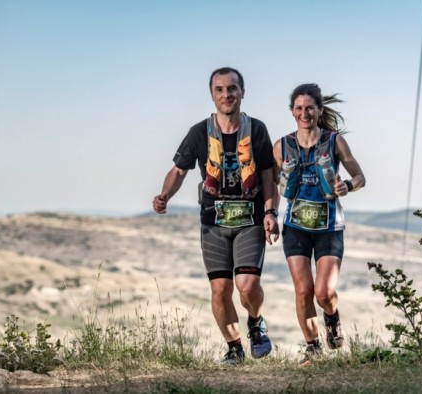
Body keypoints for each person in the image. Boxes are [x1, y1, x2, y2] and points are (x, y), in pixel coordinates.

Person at [152, 67, 279, 365]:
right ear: (212, 95)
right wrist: (164, 196)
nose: (227, 94)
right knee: (221, 290)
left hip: (250, 218)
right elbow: (179, 170)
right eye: (220, 89)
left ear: (242, 92)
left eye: (232, 88)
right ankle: (234, 348)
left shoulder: (256, 129)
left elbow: (268, 175)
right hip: (213, 222)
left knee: (247, 287)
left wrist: (271, 210)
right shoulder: (199, 132)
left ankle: (255, 321)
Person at [273, 83, 365, 364]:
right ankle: (312, 347)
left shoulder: (334, 141)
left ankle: (332, 318)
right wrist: (270, 215)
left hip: (329, 227)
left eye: (309, 108)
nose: (304, 113)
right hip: (296, 226)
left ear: (319, 110)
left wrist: (348, 186)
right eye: (299, 108)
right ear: (292, 112)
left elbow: (360, 176)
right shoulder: (282, 145)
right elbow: (272, 185)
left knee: (324, 292)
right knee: (303, 290)